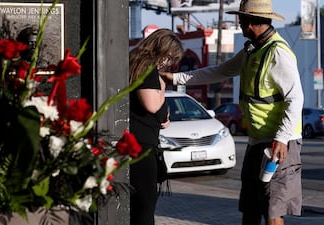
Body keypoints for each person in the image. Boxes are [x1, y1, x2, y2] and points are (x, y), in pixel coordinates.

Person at [160, 1, 303, 225]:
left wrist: (282, 138)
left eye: (241, 19)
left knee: (273, 208)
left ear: (249, 22)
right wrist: (176, 78)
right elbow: (220, 71)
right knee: (251, 205)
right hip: (257, 141)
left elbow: (295, 98)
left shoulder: (278, 53)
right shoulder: (251, 49)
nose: (239, 23)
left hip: (278, 144)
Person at [129, 28, 183, 225]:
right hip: (142, 148)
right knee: (144, 205)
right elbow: (154, 107)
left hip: (134, 143)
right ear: (161, 50)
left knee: (136, 206)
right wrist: (161, 85)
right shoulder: (147, 69)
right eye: (170, 57)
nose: (169, 63)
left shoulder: (133, 63)